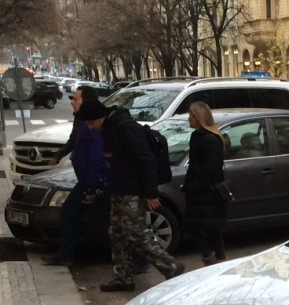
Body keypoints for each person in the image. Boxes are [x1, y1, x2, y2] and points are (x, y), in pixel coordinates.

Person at [79, 101, 184, 293]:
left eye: (90, 123)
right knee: (117, 232)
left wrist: (151, 193)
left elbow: (146, 160)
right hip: (119, 188)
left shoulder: (126, 128)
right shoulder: (109, 128)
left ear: (99, 118)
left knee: (136, 233)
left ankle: (170, 266)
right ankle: (122, 277)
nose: (89, 127)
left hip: (134, 190)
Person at [41, 86, 112, 267]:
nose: (72, 101)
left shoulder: (93, 123)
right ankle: (68, 252)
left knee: (105, 218)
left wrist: (93, 187)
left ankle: (138, 257)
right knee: (73, 213)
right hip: (88, 179)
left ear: (86, 102)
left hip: (96, 180)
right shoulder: (81, 120)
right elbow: (74, 141)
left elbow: (97, 156)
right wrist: (58, 155)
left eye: (76, 99)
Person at [182, 101, 229, 266]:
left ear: (198, 117)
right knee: (210, 229)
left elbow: (209, 170)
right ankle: (218, 260)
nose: (189, 118)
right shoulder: (198, 136)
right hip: (201, 191)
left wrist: (192, 187)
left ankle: (213, 260)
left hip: (206, 192)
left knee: (199, 227)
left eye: (191, 115)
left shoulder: (209, 139)